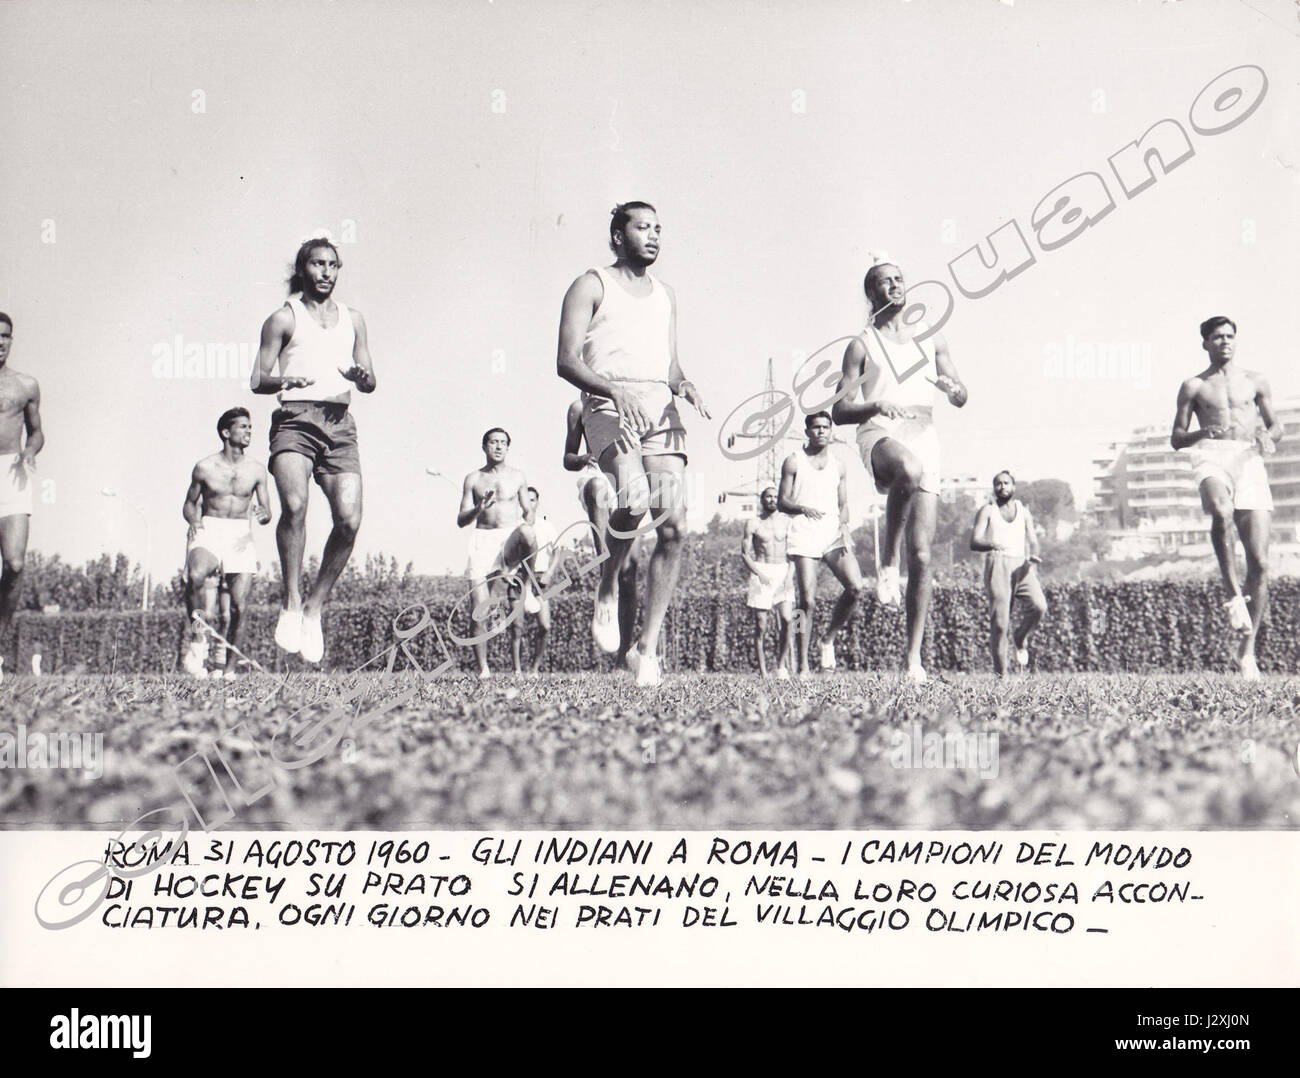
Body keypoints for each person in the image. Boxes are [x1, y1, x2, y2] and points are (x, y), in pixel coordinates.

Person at [556, 201, 710, 687]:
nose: (655, 236)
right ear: (618, 237)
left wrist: (684, 384)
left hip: (659, 409)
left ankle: (645, 650)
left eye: (659, 228)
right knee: (635, 501)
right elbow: (565, 361)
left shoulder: (666, 296)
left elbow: (671, 367)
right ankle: (607, 586)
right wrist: (613, 391)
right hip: (608, 404)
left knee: (675, 526)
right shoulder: (591, 284)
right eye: (643, 227)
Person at [831, 259, 968, 683]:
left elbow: (962, 395)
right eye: (883, 281)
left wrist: (953, 389)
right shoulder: (862, 345)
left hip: (924, 430)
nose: (894, 285)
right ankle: (887, 564)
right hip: (880, 431)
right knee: (908, 469)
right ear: (871, 295)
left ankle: (913, 661)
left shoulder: (932, 339)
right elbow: (838, 410)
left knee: (924, 556)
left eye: (899, 279)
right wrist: (874, 404)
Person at [251, 237, 377, 665]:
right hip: (295, 420)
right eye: (318, 264)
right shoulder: (283, 319)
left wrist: (361, 376)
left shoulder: (353, 319)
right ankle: (290, 599)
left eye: (333, 265)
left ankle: (314, 605)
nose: (326, 272)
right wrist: (288, 382)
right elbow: (257, 379)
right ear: (303, 269)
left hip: (339, 425)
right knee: (295, 503)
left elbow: (370, 379)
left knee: (349, 519)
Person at [1171, 316, 1281, 681]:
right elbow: (1176, 437)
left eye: (1230, 336)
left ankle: (1246, 653)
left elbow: (1275, 424)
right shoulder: (1194, 386)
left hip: (1248, 458)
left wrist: (1270, 438)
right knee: (1220, 512)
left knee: (1261, 563)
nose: (1225, 342)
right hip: (1211, 456)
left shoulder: (1255, 381)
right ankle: (1233, 594)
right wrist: (1202, 432)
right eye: (1217, 337)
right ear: (1205, 343)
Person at [180, 407, 272, 678]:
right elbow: (188, 504)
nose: (249, 432)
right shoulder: (205, 467)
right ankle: (198, 640)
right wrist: (193, 521)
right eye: (243, 427)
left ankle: (229, 671)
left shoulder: (256, 469)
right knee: (195, 576)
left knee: (240, 607)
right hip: (210, 526)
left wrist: (264, 515)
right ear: (226, 432)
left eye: (250, 427)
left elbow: (267, 510)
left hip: (240, 534)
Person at [563, 396, 650, 667]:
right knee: (597, 491)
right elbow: (567, 458)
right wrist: (584, 457)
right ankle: (605, 565)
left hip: (628, 476)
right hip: (597, 473)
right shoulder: (579, 408)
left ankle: (623, 655)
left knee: (630, 572)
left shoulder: (638, 397)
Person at [779, 412, 862, 678]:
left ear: (831, 431)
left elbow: (844, 504)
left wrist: (845, 527)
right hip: (804, 533)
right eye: (816, 427)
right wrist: (802, 507)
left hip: (832, 534)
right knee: (807, 601)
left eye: (826, 427)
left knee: (856, 587)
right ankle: (803, 666)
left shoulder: (839, 465)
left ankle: (827, 640)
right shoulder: (794, 461)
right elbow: (782, 501)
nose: (821, 432)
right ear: (807, 431)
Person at [458, 427, 538, 679]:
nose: (499, 447)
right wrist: (478, 508)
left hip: (509, 538)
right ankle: (483, 669)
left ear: (508, 447)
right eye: (493, 442)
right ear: (484, 446)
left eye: (503, 442)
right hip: (483, 540)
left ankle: (526, 587)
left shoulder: (518, 476)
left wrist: (530, 517)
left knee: (528, 533)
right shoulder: (473, 479)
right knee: (479, 607)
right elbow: (461, 519)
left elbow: (529, 511)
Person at [0, 312, 44, 685]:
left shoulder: (25, 384)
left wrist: (30, 452)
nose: (0, 342)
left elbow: (37, 431)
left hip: (10, 471)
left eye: (6, 336)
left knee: (14, 563)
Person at [970, 471, 1047, 676]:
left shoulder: (1023, 511)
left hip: (1022, 565)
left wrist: (1035, 556)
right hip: (998, 564)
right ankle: (1001, 675)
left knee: (1039, 606)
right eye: (998, 484)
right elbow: (974, 541)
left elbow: (1033, 540)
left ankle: (1021, 637)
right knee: (1000, 623)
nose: (1002, 487)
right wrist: (992, 543)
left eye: (1006, 483)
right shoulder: (987, 510)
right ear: (994, 488)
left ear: (1013, 487)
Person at [741, 486, 795, 679]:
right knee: (761, 625)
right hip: (761, 570)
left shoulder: (787, 522)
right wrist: (758, 573)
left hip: (783, 570)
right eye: (768, 497)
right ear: (762, 500)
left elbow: (794, 553)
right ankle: (763, 671)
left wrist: (789, 577)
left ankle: (781, 667)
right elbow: (745, 554)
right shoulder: (753, 523)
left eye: (775, 497)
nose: (772, 500)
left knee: (788, 620)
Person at [509, 486, 557, 676]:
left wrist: (550, 573)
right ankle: (517, 671)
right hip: (519, 577)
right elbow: (505, 554)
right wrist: (509, 574)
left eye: (533, 500)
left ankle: (535, 669)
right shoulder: (514, 526)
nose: (529, 503)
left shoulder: (546, 525)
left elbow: (558, 551)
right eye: (525, 500)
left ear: (538, 502)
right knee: (516, 626)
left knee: (545, 626)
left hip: (540, 578)